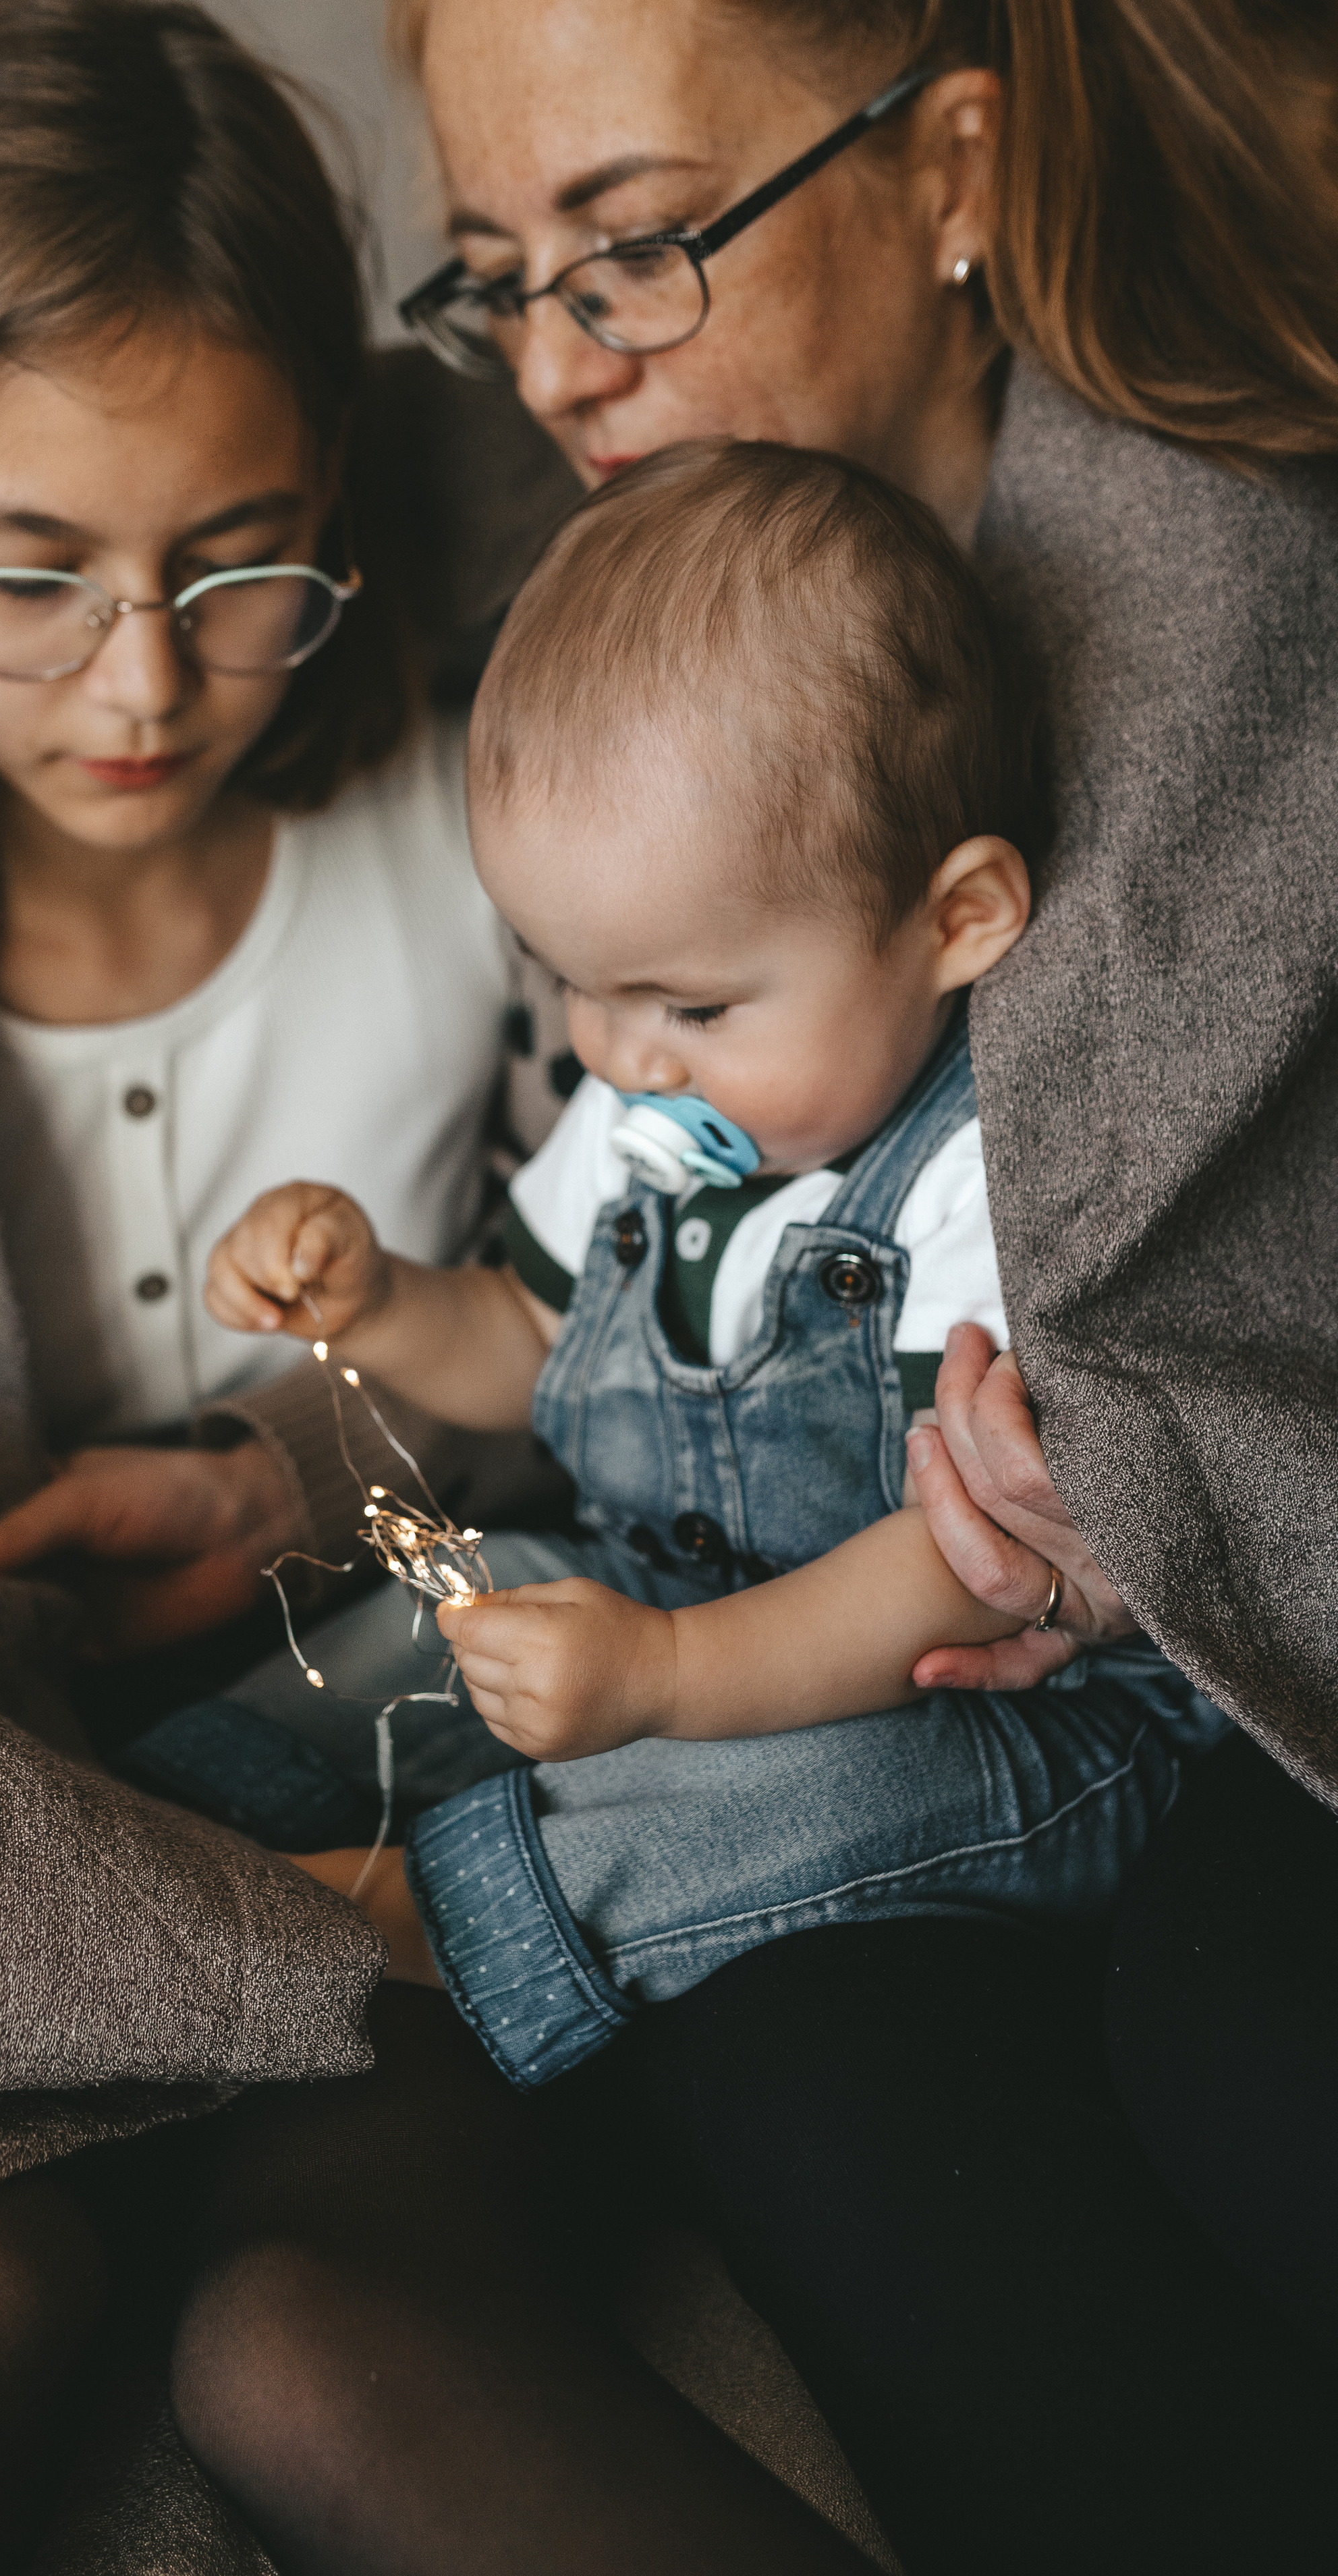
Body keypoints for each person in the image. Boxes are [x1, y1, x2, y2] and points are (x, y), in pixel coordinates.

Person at [0, 7, 899, 2571]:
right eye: (28, 574)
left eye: (240, 559)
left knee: (305, 2326)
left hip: (411, 1801)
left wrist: (298, 1474)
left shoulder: (520, 808)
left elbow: (649, 1344)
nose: (140, 677)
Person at [370, 0, 1338, 2565]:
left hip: (1221, 1667)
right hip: (844, 1642)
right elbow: (573, 1263)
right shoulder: (588, 637)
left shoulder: (1249, 592)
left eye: (640, 250)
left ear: (955, 177)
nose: (561, 368)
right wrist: (288, 1420)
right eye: (496, 280)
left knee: (1255, 2027)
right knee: (803, 2077)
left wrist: (1157, 1478)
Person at [184, 436, 1228, 2084]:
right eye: (574, 984)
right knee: (455, 1602)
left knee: (773, 1801)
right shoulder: (647, 1100)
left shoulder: (983, 1179)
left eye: (691, 1003)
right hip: (670, 1602)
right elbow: (530, 1338)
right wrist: (381, 1300)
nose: (620, 1054)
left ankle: (401, 1928)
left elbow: (959, 1560)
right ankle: (177, 1811)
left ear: (954, 918)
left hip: (989, 1716)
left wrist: (666, 1676)